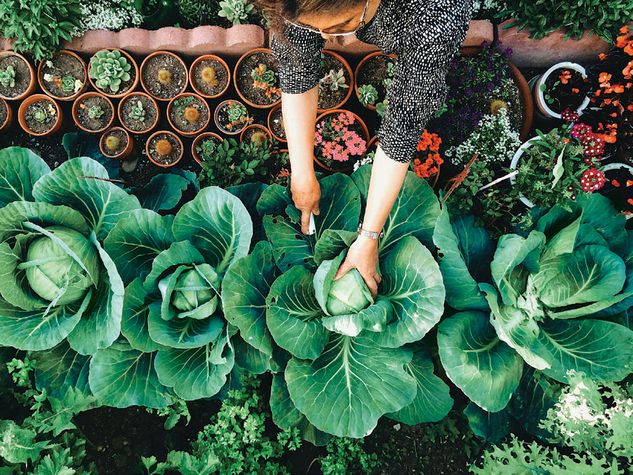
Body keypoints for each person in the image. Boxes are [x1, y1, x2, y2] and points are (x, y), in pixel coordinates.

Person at [256, 0, 474, 297]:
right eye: (312, 27)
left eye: (342, 27)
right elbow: (296, 69)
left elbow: (404, 125)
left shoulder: (436, 13)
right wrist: (302, 174)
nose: (332, 39)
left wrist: (370, 236)